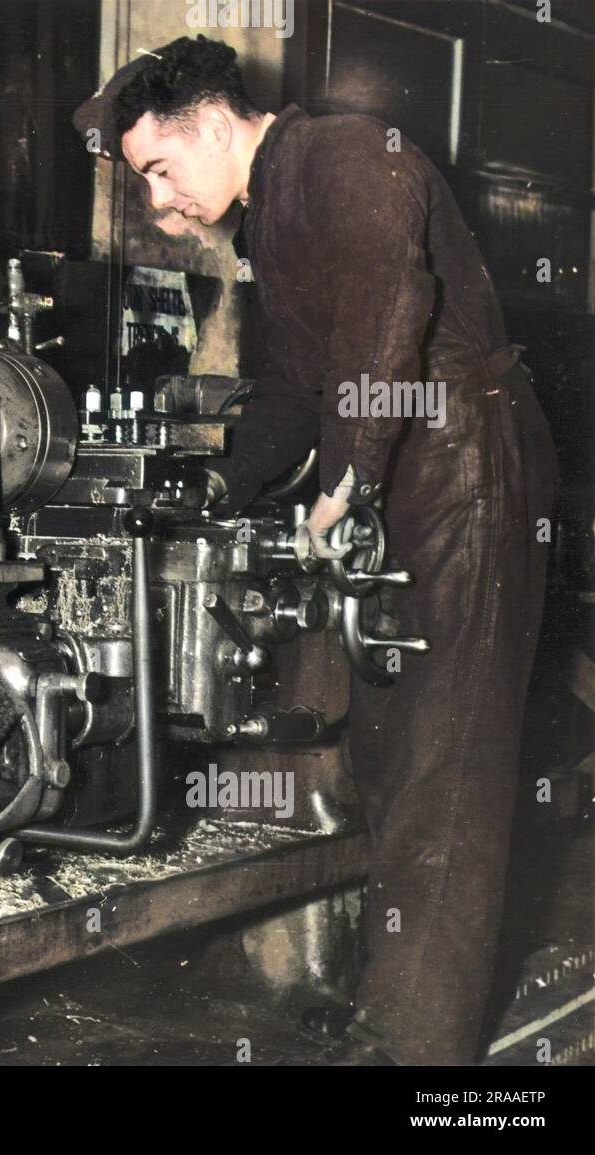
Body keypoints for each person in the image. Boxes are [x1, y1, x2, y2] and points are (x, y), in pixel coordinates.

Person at [74, 36, 558, 1065]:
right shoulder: (270, 227)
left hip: (465, 469)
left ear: (213, 122)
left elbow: (396, 305)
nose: (161, 205)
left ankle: (413, 1049)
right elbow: (293, 388)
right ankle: (396, 993)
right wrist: (218, 482)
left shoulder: (341, 156)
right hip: (404, 467)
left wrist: (349, 478)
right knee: (386, 752)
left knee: (448, 765)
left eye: (160, 171)